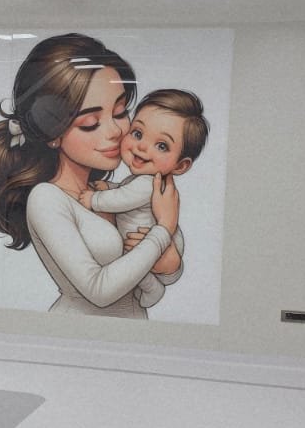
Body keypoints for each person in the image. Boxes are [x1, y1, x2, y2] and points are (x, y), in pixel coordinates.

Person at [0, 33, 183, 318]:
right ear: (52, 134)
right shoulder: (46, 199)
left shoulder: (109, 190)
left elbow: (155, 275)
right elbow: (99, 291)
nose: (115, 131)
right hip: (75, 331)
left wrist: (171, 265)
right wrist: (163, 230)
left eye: (120, 112)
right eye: (90, 123)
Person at [78, 89, 208, 308]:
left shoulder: (149, 183)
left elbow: (123, 199)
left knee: (136, 264)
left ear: (180, 165)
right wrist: (110, 187)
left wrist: (94, 200)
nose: (142, 146)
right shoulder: (143, 181)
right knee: (135, 264)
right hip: (149, 241)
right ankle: (152, 288)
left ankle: (153, 289)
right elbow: (126, 192)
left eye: (162, 146)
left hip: (153, 242)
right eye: (137, 133)